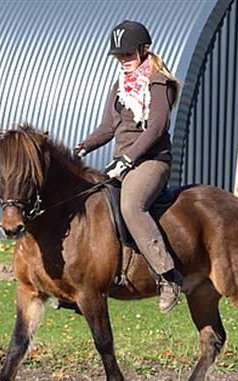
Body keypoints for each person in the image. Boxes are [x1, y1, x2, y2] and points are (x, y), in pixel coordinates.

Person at [75, 20, 184, 313]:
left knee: (131, 206)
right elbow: (109, 126)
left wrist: (128, 159)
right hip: (124, 161)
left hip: (151, 162)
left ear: (143, 49)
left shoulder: (158, 81)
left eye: (128, 54)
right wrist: (83, 146)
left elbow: (157, 127)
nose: (123, 60)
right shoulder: (120, 85)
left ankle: (168, 277)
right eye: (119, 56)